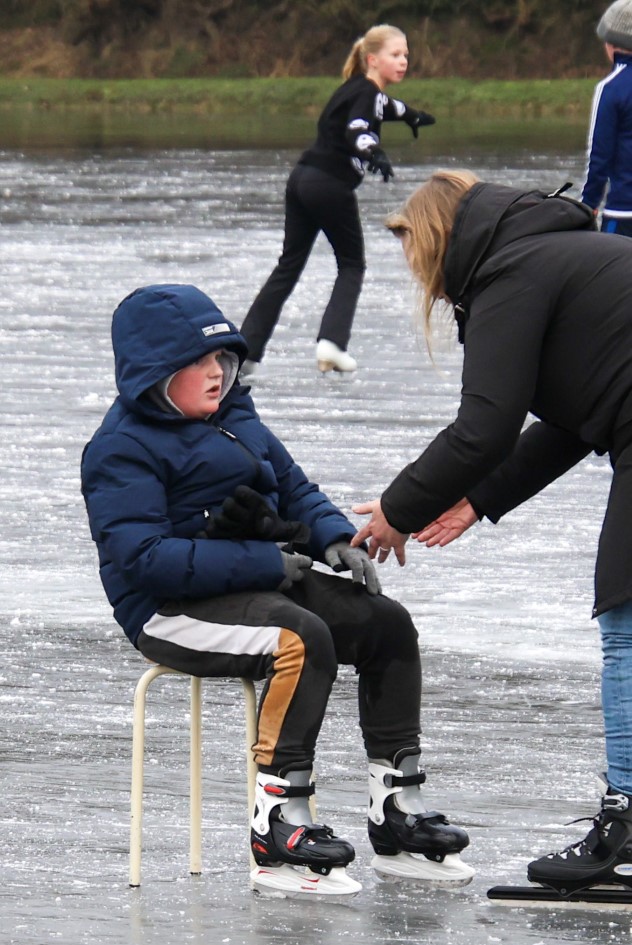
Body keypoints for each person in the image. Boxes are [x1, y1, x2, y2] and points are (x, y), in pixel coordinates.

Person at [81, 282, 473, 897]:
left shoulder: (236, 418)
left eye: (224, 360)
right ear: (154, 374)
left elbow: (292, 488)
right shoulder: (120, 449)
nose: (217, 374)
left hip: (256, 574)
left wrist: (335, 540)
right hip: (167, 609)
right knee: (299, 636)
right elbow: (145, 561)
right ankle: (279, 823)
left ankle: (396, 810)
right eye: (200, 364)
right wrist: (264, 562)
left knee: (386, 624)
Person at [350, 168, 632, 898]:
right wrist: (479, 500)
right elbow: (577, 416)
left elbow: (484, 428)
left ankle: (627, 822)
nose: (426, 285)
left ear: (440, 242)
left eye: (419, 263)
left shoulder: (512, 276)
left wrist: (396, 509)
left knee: (627, 621)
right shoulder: (557, 255)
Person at [239, 24, 435, 376]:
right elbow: (359, 128)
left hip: (301, 179)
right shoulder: (365, 94)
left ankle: (246, 352)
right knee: (352, 264)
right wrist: (374, 152)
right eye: (395, 55)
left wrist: (412, 115)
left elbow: (386, 106)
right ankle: (332, 343)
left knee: (288, 266)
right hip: (329, 185)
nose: (404, 61)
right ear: (373, 60)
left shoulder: (357, 89)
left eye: (406, 54)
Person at [581, 0, 632, 236]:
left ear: (611, 45)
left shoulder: (610, 88)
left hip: (623, 213)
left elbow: (599, 155)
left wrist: (588, 205)